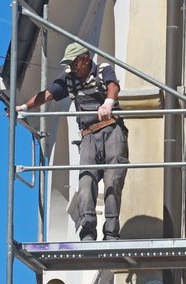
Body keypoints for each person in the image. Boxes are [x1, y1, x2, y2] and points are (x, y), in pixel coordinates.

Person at [16, 42, 129, 242]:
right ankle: (87, 231)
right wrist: (24, 107)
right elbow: (47, 95)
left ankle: (111, 232)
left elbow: (113, 86)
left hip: (112, 130)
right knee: (86, 182)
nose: (72, 67)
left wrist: (108, 103)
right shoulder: (68, 79)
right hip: (88, 135)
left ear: (85, 59)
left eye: (75, 63)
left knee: (113, 181)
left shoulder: (103, 70)